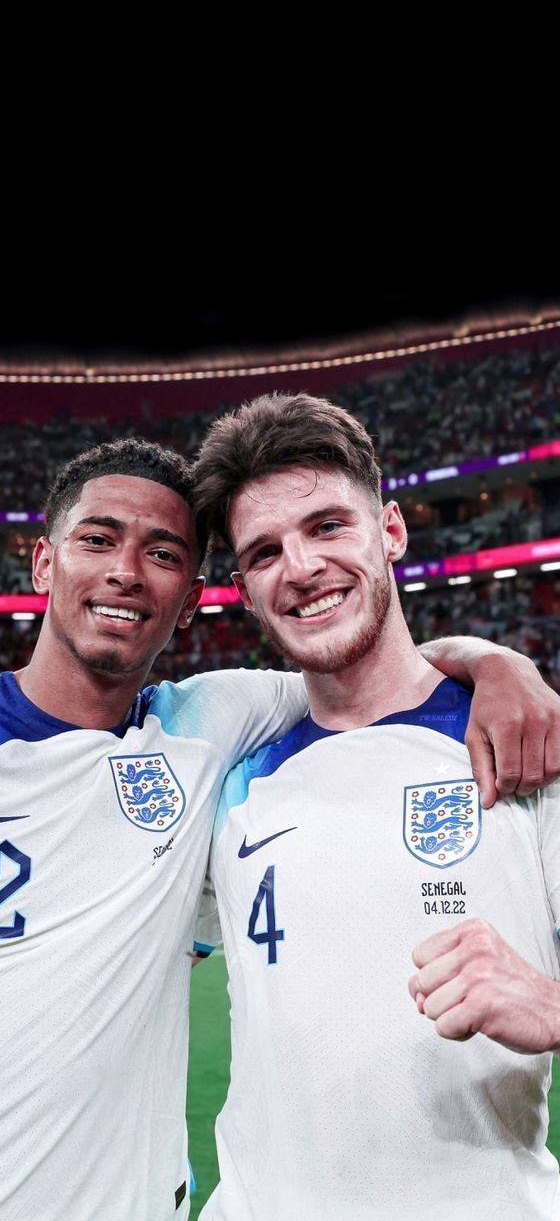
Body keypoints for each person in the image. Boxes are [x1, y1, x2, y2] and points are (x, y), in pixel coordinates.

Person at [0, 438, 558, 1220]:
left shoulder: (212, 734)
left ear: (196, 595)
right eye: (97, 538)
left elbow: (373, 665)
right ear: (43, 563)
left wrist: (499, 666)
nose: (125, 571)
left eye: (164, 552)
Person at [188, 392, 560, 1218]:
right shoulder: (232, 783)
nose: (302, 566)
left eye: (328, 526)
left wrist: (552, 1003)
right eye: (264, 551)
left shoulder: (524, 744)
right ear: (246, 588)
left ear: (389, 530)